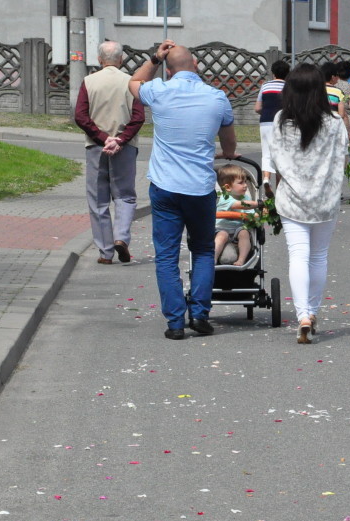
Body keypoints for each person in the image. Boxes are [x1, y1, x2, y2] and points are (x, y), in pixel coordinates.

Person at [129, 39, 237, 340]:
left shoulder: (159, 91)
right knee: (202, 250)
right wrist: (226, 153)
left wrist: (154, 58)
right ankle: (200, 314)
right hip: (199, 188)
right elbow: (230, 144)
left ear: (168, 70)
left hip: (165, 186)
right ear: (196, 65)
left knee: (166, 255)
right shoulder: (217, 98)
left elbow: (134, 82)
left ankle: (175, 322)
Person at [267, 64, 350, 344]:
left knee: (298, 255)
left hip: (292, 198)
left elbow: (275, 159)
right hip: (325, 198)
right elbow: (343, 158)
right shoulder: (334, 122)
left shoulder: (281, 121)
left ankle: (302, 314)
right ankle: (312, 311)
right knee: (319, 256)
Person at [74, 40, 145, 265]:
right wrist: (120, 140)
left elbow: (81, 116)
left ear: (99, 59)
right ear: (121, 60)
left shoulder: (89, 82)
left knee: (98, 199)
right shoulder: (131, 82)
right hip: (125, 147)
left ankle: (105, 252)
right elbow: (138, 118)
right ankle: (121, 237)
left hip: (96, 146)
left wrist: (103, 138)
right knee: (125, 196)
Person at [256, 60, 290, 187]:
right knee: (281, 154)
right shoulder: (289, 87)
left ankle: (266, 178)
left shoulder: (265, 85)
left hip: (265, 122)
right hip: (283, 122)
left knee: (266, 153)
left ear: (273, 73)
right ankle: (279, 186)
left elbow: (257, 108)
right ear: (288, 73)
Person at [213, 164, 255, 266]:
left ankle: (241, 260)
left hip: (238, 229)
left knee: (244, 233)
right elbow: (238, 205)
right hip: (221, 228)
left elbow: (250, 213)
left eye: (245, 181)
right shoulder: (224, 198)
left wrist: (256, 215)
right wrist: (258, 203)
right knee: (222, 236)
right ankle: (213, 259)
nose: (245, 185)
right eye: (241, 183)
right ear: (227, 187)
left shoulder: (246, 198)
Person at [322, 62, 350, 134]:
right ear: (333, 77)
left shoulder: (317, 90)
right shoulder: (340, 91)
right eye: (337, 75)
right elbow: (342, 114)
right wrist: (349, 133)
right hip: (334, 125)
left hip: (320, 124)